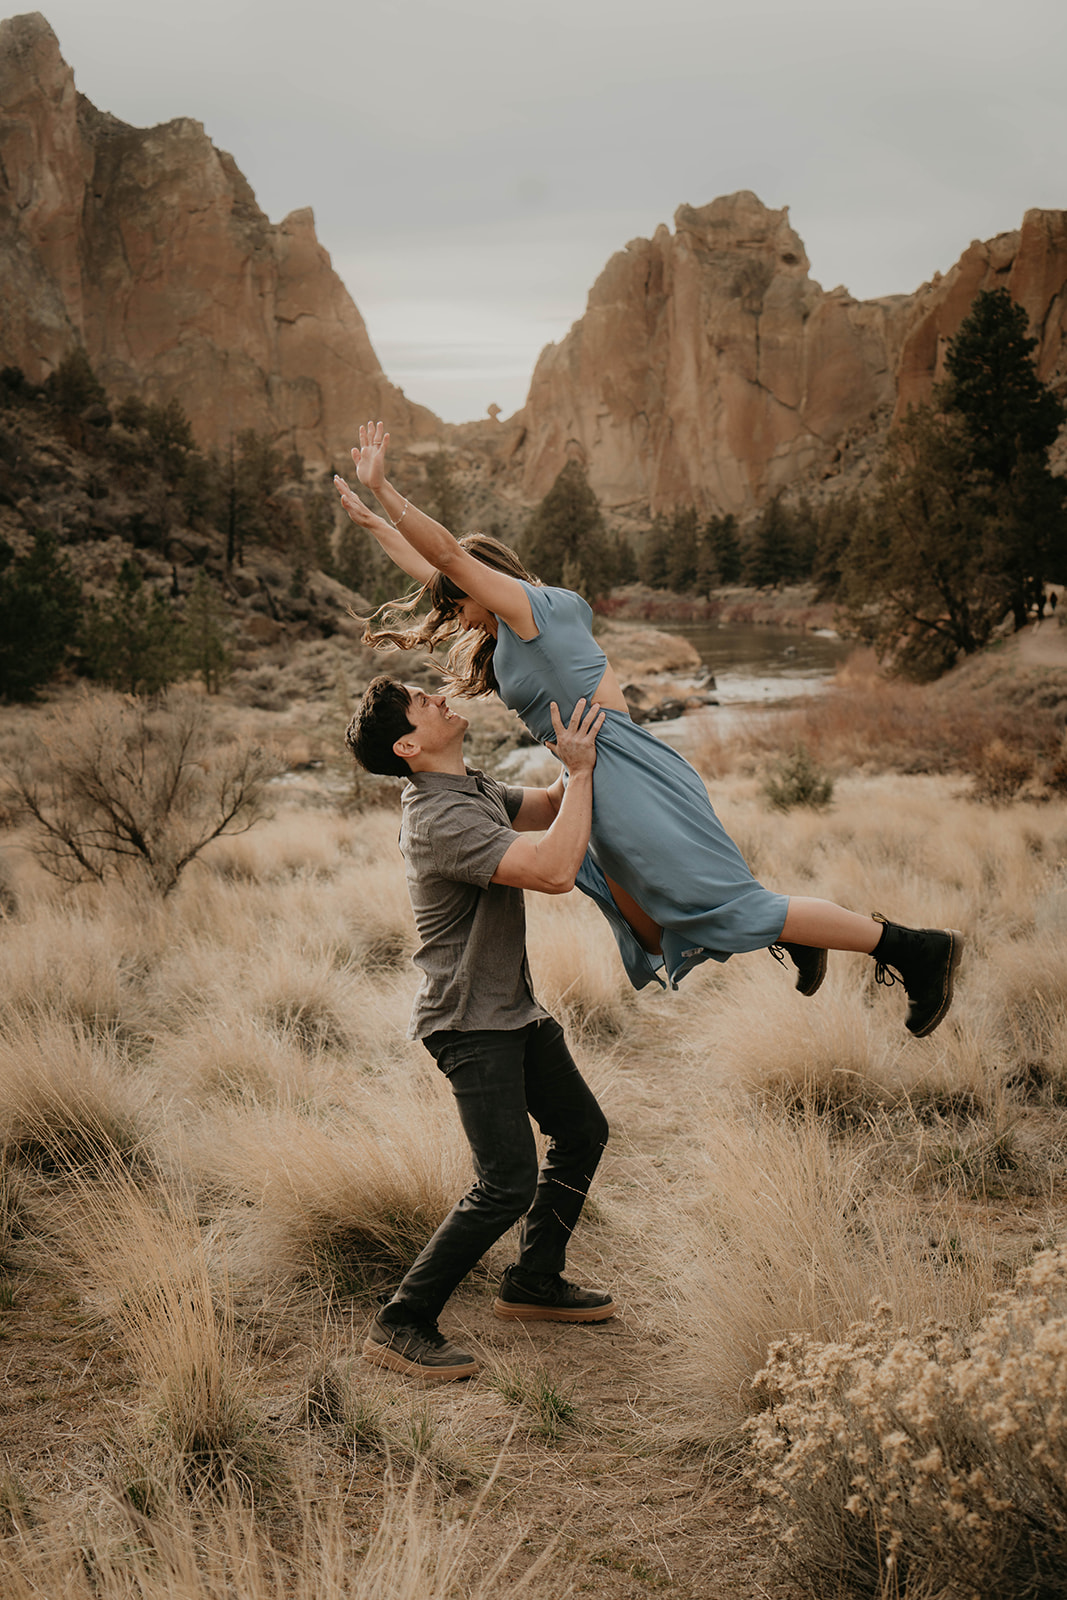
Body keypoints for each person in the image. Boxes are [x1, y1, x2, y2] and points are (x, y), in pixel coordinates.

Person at [335, 422, 963, 1039]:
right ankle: (796, 932)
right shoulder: (501, 631)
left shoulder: (533, 611)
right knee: (658, 918)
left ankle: (914, 950)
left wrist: (389, 490)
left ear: (484, 576)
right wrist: (375, 526)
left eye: (457, 592)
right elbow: (432, 570)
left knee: (731, 907)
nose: (447, 604)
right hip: (592, 771)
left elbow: (444, 557)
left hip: (620, 767)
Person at [346, 676, 613, 1381]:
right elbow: (553, 871)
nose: (437, 694)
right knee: (506, 1182)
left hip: (511, 1011)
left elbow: (553, 807)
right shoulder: (437, 818)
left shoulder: (470, 789)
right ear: (407, 745)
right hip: (469, 1023)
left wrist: (575, 750)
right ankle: (401, 1321)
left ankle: (533, 1282)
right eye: (420, 700)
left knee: (582, 1131)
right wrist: (582, 771)